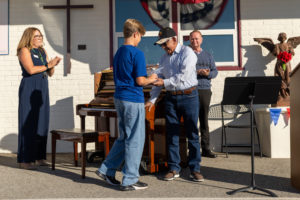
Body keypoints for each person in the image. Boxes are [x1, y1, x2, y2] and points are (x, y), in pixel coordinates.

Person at [95, 19, 158, 191]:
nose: (139, 41)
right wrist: (152, 78)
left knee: (124, 137)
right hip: (133, 99)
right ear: (136, 34)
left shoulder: (118, 52)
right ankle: (130, 179)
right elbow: (140, 81)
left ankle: (106, 169)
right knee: (135, 139)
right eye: (140, 37)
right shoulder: (136, 53)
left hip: (119, 98)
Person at [145, 27, 204, 182]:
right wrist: (152, 99)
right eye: (161, 45)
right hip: (171, 98)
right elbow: (158, 79)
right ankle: (173, 168)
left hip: (189, 96)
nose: (163, 48)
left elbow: (183, 77)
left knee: (192, 133)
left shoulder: (188, 53)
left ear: (174, 40)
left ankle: (195, 169)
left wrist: (162, 81)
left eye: (165, 44)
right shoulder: (164, 58)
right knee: (172, 134)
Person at [17, 27, 61, 170]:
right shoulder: (24, 50)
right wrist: (48, 65)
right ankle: (25, 160)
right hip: (30, 87)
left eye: (41, 35)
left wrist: (53, 65)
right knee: (28, 123)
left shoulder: (42, 51)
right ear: (29, 37)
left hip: (42, 87)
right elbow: (30, 69)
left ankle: (39, 157)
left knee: (42, 122)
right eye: (37, 36)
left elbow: (50, 72)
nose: (40, 38)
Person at [189, 30, 218, 158]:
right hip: (192, 90)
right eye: (192, 39)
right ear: (189, 40)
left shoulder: (208, 55)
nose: (194, 41)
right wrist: (196, 72)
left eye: (197, 39)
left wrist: (208, 74)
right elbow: (184, 71)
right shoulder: (187, 54)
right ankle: (192, 151)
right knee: (192, 121)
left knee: (204, 120)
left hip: (205, 90)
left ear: (201, 39)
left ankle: (206, 149)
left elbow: (215, 72)